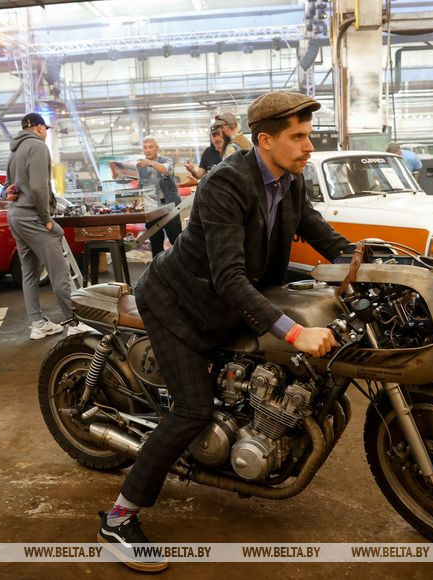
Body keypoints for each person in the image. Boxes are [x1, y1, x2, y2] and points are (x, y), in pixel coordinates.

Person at [96, 91, 352, 571]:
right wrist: (294, 333)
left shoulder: (291, 180)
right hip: (178, 303)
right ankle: (118, 518)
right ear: (265, 140)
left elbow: (321, 233)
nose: (309, 146)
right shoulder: (226, 183)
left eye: (309, 136)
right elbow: (229, 277)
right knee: (192, 410)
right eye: (298, 137)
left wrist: (370, 262)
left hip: (227, 301)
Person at [6, 113, 87, 339]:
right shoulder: (38, 147)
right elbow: (38, 187)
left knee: (29, 273)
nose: (45, 134)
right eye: (45, 130)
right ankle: (74, 321)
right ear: (40, 128)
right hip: (33, 217)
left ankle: (37, 324)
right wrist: (47, 220)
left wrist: (8, 194)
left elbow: (6, 188)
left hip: (15, 216)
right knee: (59, 272)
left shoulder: (14, 150)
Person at [138, 135, 182, 258]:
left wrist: (150, 163)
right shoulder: (140, 165)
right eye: (145, 147)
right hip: (151, 209)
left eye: (150, 147)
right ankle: (158, 268)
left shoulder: (166, 160)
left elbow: (165, 170)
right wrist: (115, 170)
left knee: (177, 242)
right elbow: (127, 178)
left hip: (169, 206)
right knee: (155, 245)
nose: (147, 150)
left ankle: (184, 266)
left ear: (157, 148)